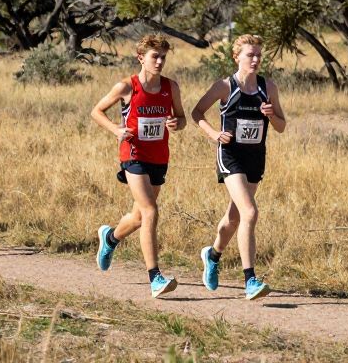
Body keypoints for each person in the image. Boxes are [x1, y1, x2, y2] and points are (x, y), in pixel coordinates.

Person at [191, 34, 287, 301]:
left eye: (258, 55)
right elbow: (197, 112)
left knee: (235, 218)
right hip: (230, 155)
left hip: (255, 157)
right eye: (250, 55)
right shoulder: (225, 86)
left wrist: (271, 115)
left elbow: (281, 126)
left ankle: (212, 255)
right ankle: (251, 280)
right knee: (250, 212)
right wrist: (213, 134)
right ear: (237, 57)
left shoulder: (268, 87)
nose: (255, 59)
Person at [91, 34, 186, 298]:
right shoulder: (127, 87)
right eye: (155, 56)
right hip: (133, 155)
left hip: (159, 157)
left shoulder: (171, 87)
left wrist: (177, 124)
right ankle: (155, 277)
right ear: (141, 58)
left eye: (163, 57)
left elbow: (181, 118)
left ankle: (110, 238)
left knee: (137, 218)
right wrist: (115, 130)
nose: (159, 62)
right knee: (150, 211)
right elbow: (96, 111)